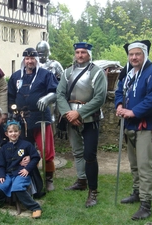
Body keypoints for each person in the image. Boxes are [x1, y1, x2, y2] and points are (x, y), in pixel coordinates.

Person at [114, 40, 152, 220]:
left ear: (144, 54)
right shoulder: (128, 72)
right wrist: (120, 105)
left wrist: (133, 111)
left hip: (148, 126)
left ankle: (146, 203)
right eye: (131, 54)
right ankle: (137, 193)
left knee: (145, 165)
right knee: (134, 163)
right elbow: (119, 90)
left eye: (137, 54)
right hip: (130, 125)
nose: (134, 57)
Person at [56, 42, 107, 207]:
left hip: (90, 118)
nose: (80, 55)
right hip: (71, 117)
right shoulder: (67, 72)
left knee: (90, 155)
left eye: (83, 52)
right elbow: (60, 94)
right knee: (77, 152)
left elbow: (100, 98)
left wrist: (80, 113)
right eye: (77, 52)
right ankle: (81, 181)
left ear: (89, 54)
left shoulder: (97, 73)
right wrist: (68, 114)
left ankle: (93, 192)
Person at [7, 47, 58, 191]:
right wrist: (11, 111)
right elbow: (10, 95)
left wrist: (47, 98)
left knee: (46, 150)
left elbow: (55, 91)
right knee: (24, 150)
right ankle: (31, 176)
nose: (30, 61)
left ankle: (48, 178)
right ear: (24, 60)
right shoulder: (16, 76)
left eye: (32, 58)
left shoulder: (46, 75)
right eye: (27, 59)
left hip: (40, 117)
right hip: (22, 119)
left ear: (36, 60)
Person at [0, 120, 42, 219]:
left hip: (21, 173)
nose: (13, 134)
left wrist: (27, 169)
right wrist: (1, 175)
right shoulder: (3, 148)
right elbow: (0, 164)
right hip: (8, 174)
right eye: (10, 132)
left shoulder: (26, 145)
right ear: (7, 134)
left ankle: (35, 208)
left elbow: (35, 157)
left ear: (19, 132)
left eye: (15, 131)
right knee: (0, 187)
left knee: (18, 188)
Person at [36, 41, 65, 138]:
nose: (41, 56)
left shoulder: (55, 65)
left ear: (48, 52)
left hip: (51, 96)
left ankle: (50, 142)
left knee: (50, 118)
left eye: (43, 53)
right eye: (39, 53)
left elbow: (63, 81)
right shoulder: (33, 64)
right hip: (35, 95)